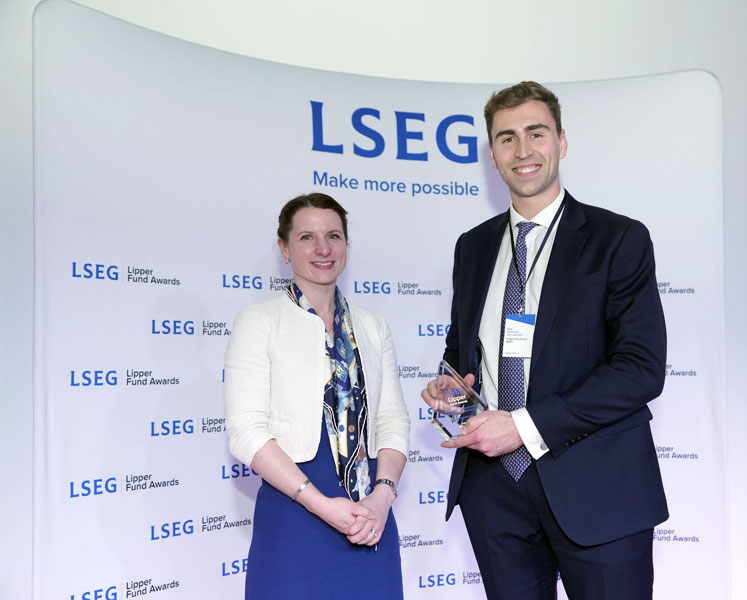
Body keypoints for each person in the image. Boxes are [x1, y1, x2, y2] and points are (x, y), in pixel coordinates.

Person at [421, 82, 668, 600]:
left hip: (598, 484)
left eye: (536, 133)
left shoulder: (617, 239)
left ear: (561, 141)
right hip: (494, 489)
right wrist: (453, 387)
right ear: (492, 156)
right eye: (506, 138)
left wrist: (522, 426)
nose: (523, 150)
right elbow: (462, 348)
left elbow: (639, 369)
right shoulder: (472, 247)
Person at [226, 193, 409, 598]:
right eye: (307, 237)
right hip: (295, 516)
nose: (323, 249)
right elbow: (246, 432)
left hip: (371, 519)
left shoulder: (373, 326)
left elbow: (392, 419)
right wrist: (322, 505)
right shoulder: (259, 322)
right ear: (284, 248)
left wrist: (382, 496)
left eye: (333, 236)